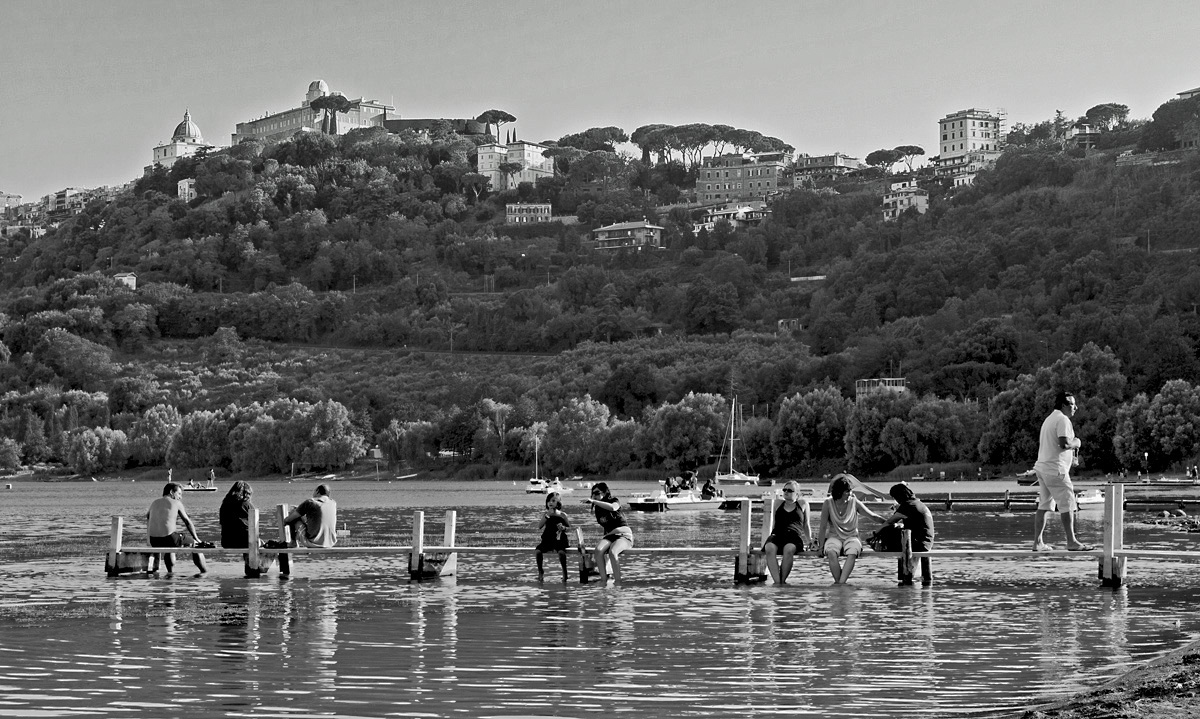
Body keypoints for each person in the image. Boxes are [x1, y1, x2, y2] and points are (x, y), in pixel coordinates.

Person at [1032, 391, 1093, 552]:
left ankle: (1038, 543)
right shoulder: (1062, 419)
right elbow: (1064, 444)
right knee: (1068, 503)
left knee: (1044, 505)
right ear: (1064, 405)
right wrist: (1077, 442)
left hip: (1043, 468)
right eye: (1072, 404)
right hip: (1055, 470)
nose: (1076, 408)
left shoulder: (1049, 419)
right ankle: (1071, 541)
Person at [817, 474, 886, 585]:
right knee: (830, 552)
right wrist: (820, 547)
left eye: (850, 490)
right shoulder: (828, 503)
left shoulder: (854, 502)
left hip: (852, 536)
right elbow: (823, 526)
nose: (850, 493)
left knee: (852, 551)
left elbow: (872, 516)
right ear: (839, 492)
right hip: (834, 536)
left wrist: (889, 522)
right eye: (847, 491)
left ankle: (840, 583)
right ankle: (840, 584)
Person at [146, 481, 207, 574]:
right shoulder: (176, 503)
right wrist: (197, 539)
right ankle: (204, 572)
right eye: (179, 493)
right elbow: (187, 522)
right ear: (171, 492)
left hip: (154, 541)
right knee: (195, 545)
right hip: (170, 538)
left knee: (170, 546)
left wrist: (148, 539)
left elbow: (148, 517)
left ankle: (170, 573)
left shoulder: (154, 503)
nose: (180, 497)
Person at [882, 483, 935, 584]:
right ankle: (922, 581)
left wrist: (875, 533)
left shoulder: (907, 506)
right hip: (927, 542)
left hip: (918, 544)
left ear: (898, 497)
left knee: (890, 530)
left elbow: (889, 522)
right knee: (901, 529)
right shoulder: (916, 502)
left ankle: (905, 579)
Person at [581, 481, 632, 584]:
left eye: (597, 493)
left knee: (613, 552)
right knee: (598, 550)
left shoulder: (614, 500)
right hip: (610, 535)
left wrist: (594, 502)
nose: (594, 496)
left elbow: (613, 507)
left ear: (604, 493)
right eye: (593, 494)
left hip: (623, 534)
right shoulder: (597, 509)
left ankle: (618, 582)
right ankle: (604, 581)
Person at [762, 480, 811, 585]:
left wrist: (809, 541)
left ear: (797, 494)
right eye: (784, 490)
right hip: (778, 534)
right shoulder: (778, 503)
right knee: (769, 547)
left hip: (794, 536)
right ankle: (777, 582)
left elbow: (806, 525)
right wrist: (770, 537)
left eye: (790, 490)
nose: (786, 492)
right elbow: (773, 523)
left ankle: (782, 581)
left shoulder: (802, 504)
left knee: (788, 549)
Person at [285, 484, 338, 548]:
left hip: (314, 543)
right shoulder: (333, 503)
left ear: (317, 491)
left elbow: (289, 519)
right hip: (331, 542)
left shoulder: (310, 502)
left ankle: (293, 543)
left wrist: (285, 521)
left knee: (293, 517)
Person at [535, 491, 571, 582]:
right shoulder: (546, 514)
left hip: (559, 539)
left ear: (558, 503)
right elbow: (539, 526)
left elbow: (569, 528)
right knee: (538, 551)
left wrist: (563, 528)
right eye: (549, 501)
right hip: (547, 539)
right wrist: (547, 516)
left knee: (561, 553)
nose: (550, 503)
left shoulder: (562, 515)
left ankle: (564, 572)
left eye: (553, 501)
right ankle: (540, 571)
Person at [220, 480, 255, 572]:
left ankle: (251, 570)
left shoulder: (224, 505)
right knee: (255, 542)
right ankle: (253, 569)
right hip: (244, 542)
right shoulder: (246, 505)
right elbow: (254, 525)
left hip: (226, 542)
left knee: (248, 539)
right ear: (246, 493)